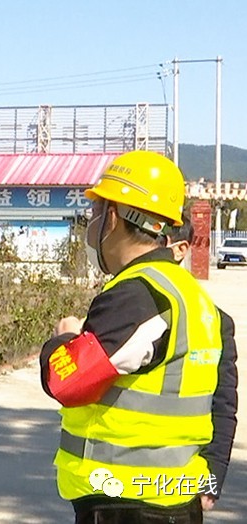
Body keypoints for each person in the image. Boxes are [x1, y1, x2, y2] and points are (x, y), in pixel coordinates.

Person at [40, 150, 232, 523]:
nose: (92, 224)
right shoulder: (192, 297)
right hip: (173, 498)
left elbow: (68, 381)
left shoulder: (137, 294)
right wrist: (213, 474)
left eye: (96, 212)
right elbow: (222, 400)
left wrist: (63, 340)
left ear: (111, 216)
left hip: (125, 503)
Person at [165, 215, 239, 510]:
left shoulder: (216, 322)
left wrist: (212, 478)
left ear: (180, 250)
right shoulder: (123, 310)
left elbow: (223, 406)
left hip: (180, 484)